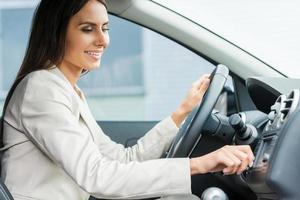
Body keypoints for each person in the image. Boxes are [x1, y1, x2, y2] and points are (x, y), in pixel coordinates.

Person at [0, 0, 254, 199]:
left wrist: (182, 113)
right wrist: (199, 164)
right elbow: (97, 177)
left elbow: (122, 160)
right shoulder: (41, 88)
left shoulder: (67, 90)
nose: (103, 40)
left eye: (105, 28)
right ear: (57, 33)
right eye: (88, 29)